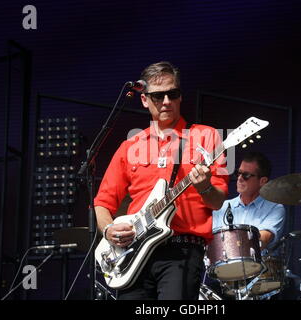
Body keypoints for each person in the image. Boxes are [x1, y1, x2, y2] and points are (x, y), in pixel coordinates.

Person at [94, 61, 229, 300]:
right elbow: (103, 202)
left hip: (182, 250)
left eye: (172, 94)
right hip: (132, 254)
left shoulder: (206, 136)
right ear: (144, 99)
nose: (166, 101)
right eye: (158, 96)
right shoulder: (130, 146)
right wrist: (108, 230)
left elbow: (217, 201)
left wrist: (204, 186)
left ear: (180, 97)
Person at [212, 152, 286, 253]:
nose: (239, 178)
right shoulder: (222, 206)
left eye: (246, 175)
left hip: (258, 268)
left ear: (263, 181)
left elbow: (261, 241)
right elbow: (214, 244)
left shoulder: (275, 209)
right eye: (238, 173)